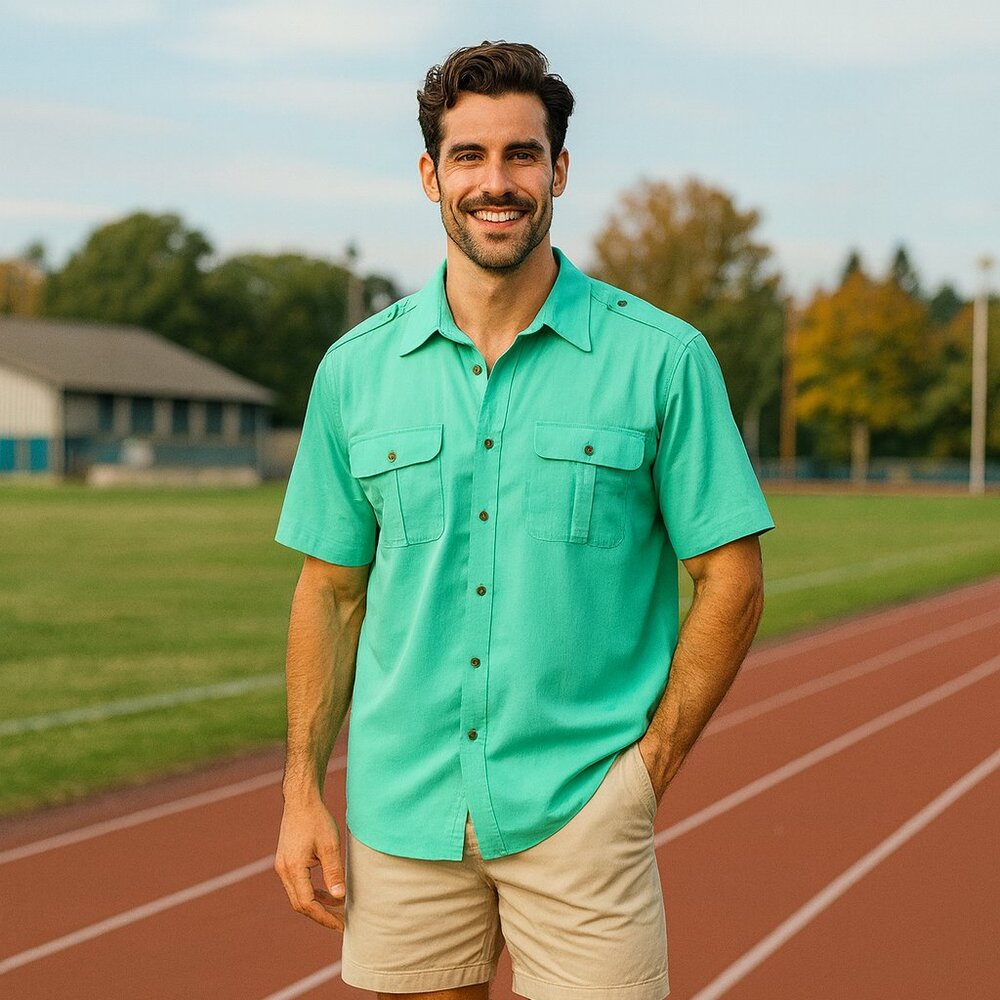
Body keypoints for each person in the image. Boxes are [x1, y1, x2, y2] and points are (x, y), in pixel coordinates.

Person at [273, 40, 774, 1000]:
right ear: (431, 175)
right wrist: (301, 790)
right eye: (469, 156)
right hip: (402, 817)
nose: (494, 182)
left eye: (520, 154)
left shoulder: (662, 359)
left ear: (560, 170)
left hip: (580, 811)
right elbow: (329, 593)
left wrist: (645, 773)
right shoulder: (354, 371)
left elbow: (733, 580)